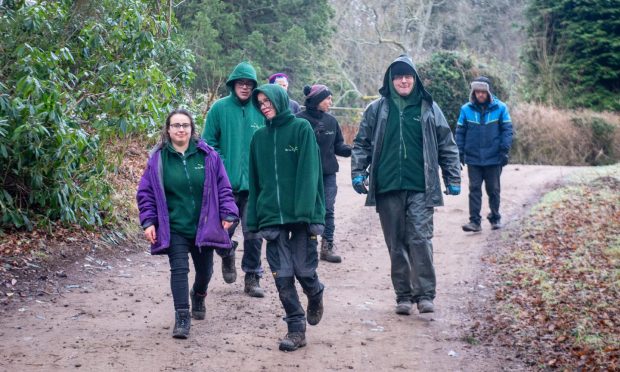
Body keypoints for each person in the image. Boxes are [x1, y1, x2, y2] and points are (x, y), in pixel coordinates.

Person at [351, 55, 461, 315]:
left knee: (420, 239)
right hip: (388, 186)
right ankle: (403, 295)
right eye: (398, 76)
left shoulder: (428, 108)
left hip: (421, 186)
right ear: (390, 80)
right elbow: (361, 143)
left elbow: (447, 143)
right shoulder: (377, 109)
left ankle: (425, 294)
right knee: (396, 242)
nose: (403, 80)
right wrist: (358, 171)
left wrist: (452, 176)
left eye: (408, 76)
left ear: (415, 79)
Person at [136, 108, 239, 339]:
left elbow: (223, 186)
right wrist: (149, 222)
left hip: (203, 225)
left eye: (185, 125)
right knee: (179, 270)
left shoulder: (208, 155)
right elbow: (146, 193)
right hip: (174, 227)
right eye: (175, 125)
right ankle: (182, 316)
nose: (180, 129)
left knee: (205, 270)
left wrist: (228, 212)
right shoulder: (158, 159)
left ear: (192, 129)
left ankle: (199, 294)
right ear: (168, 129)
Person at [247, 84, 326, 352]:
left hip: (301, 214)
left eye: (267, 101)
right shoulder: (258, 138)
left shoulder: (301, 129)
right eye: (260, 103)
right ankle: (295, 328)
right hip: (271, 215)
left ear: (280, 100)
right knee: (282, 276)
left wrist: (308, 213)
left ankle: (315, 293)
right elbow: (255, 181)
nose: (264, 106)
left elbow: (310, 172)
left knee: (304, 270)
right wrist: (254, 218)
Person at [202, 61, 266, 298]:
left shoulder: (261, 110)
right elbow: (207, 143)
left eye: (250, 84)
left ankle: (252, 277)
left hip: (255, 184)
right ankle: (226, 251)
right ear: (233, 84)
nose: (245, 87)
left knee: (254, 232)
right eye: (241, 83)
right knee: (221, 230)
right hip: (225, 184)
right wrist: (223, 164)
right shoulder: (219, 109)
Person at [296, 84, 351, 263]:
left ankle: (327, 247)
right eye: (327, 98)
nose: (330, 101)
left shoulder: (331, 121)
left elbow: (338, 146)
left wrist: (353, 149)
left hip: (328, 173)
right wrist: (312, 133)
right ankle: (304, 247)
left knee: (328, 209)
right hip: (305, 175)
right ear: (318, 100)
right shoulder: (298, 120)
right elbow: (293, 148)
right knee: (307, 210)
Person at [456, 76, 513, 232]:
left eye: (483, 92)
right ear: (473, 92)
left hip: (494, 158)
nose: (480, 94)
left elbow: (507, 130)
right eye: (477, 91)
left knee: (493, 189)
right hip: (473, 158)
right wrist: (459, 152)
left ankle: (495, 218)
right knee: (474, 189)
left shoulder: (501, 108)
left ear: (488, 92)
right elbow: (460, 132)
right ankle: (474, 222)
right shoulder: (465, 109)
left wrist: (504, 150)